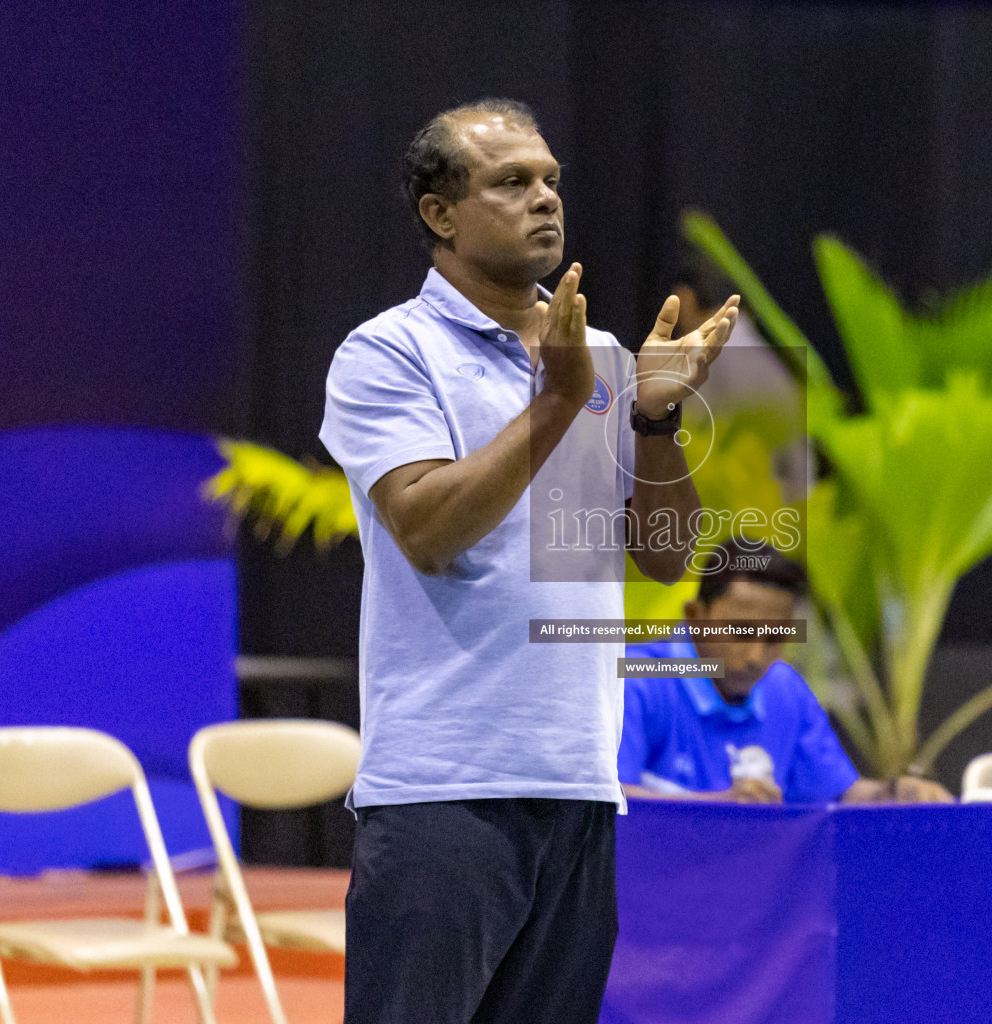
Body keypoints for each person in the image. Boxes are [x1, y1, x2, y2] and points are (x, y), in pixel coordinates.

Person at [319, 98, 739, 1024]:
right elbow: (427, 530)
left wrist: (656, 417)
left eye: (550, 180)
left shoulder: (597, 355)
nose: (544, 199)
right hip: (443, 794)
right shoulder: (388, 352)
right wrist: (557, 401)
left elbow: (667, 563)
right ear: (440, 214)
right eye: (511, 182)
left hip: (579, 784)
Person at [618, 539, 952, 804]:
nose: (755, 656)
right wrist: (721, 807)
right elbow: (603, 802)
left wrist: (895, 793)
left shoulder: (785, 689)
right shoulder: (635, 680)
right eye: (741, 632)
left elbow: (843, 795)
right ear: (695, 615)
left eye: (775, 639)